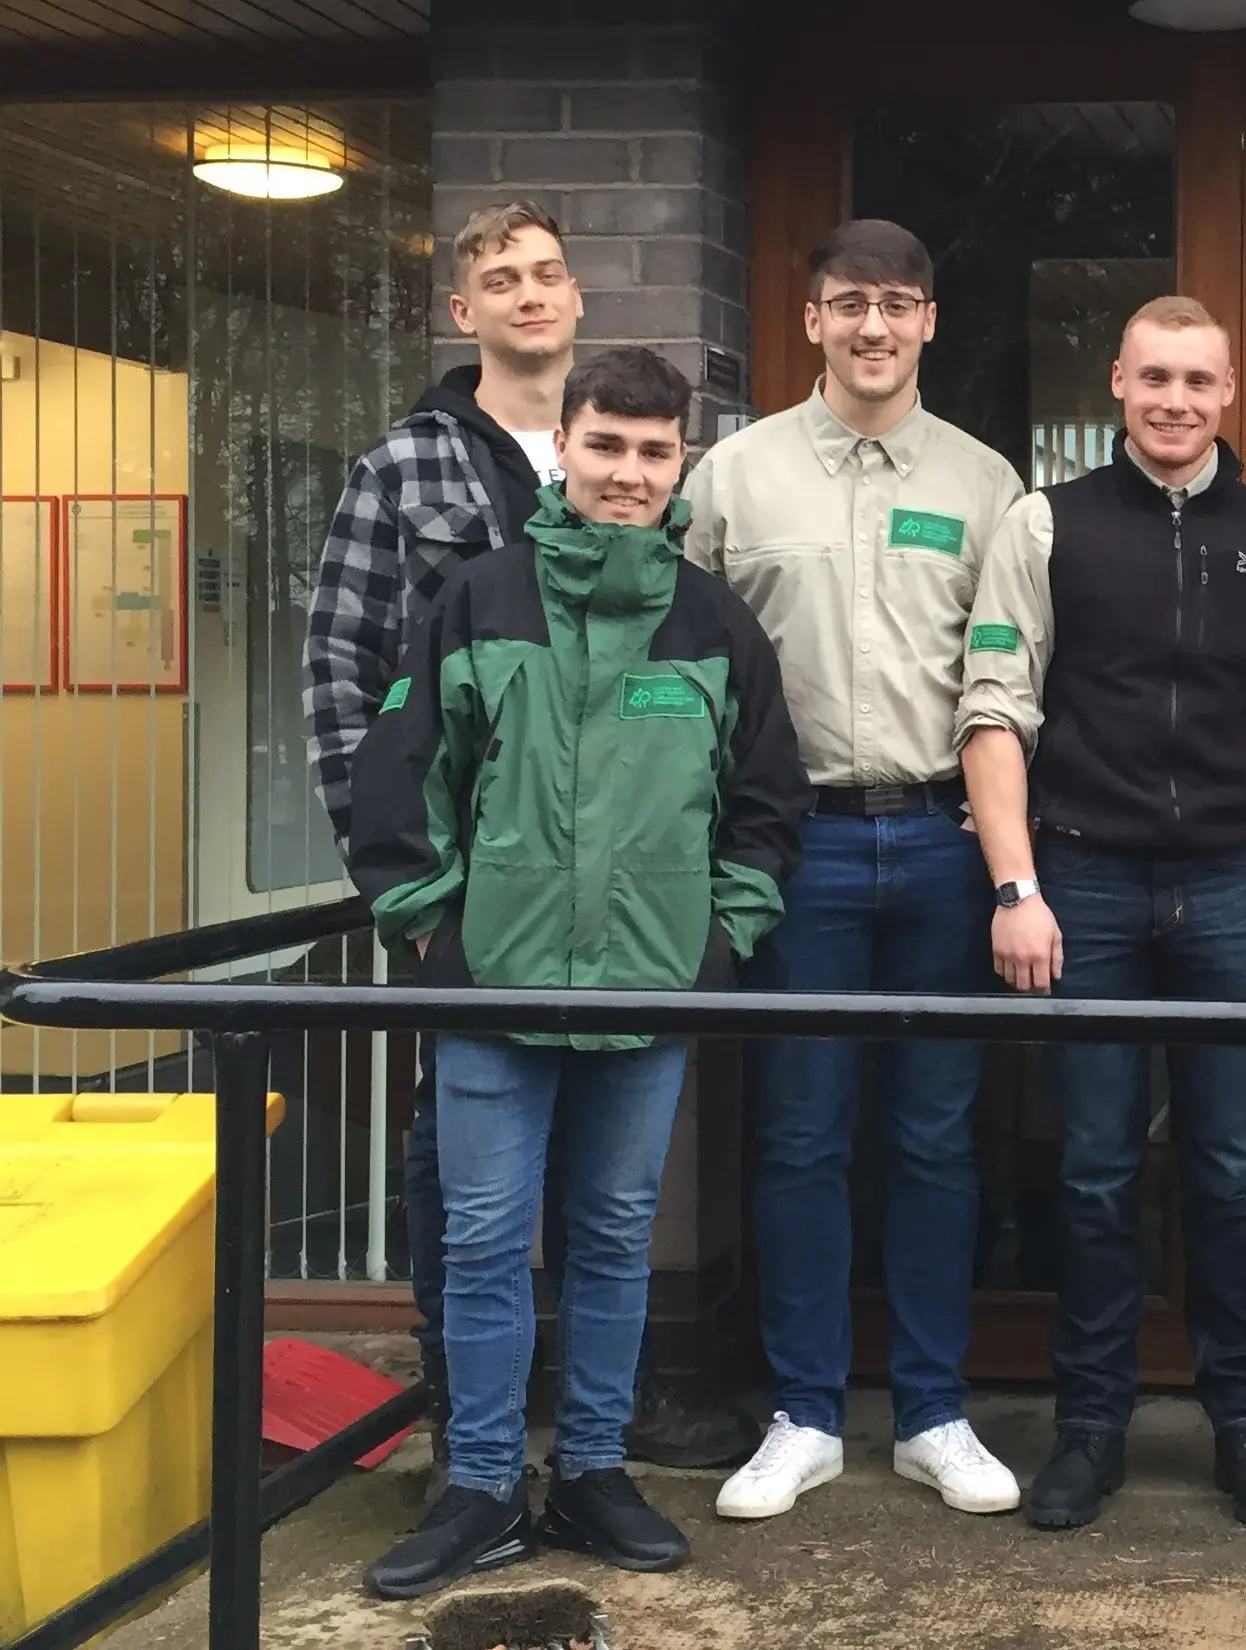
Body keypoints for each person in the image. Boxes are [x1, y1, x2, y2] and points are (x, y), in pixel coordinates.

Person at [347, 346, 809, 1598]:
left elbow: (765, 805)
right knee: (489, 1239)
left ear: (680, 466)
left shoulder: (716, 624)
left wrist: (722, 939)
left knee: (614, 1240)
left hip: (649, 991)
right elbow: (400, 784)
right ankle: (485, 1488)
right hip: (492, 990)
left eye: (655, 453)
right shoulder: (475, 601)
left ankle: (594, 1473)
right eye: (607, 446)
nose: (629, 472)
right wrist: (434, 932)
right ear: (567, 450)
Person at [957, 295, 1246, 1532]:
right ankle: (1091, 1430)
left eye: (1198, 379)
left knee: (1231, 1173)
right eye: (1153, 378)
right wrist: (1014, 888)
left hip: (1238, 885)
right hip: (1082, 883)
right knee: (1091, 1173)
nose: (1175, 400)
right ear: (1117, 385)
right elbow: (993, 709)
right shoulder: (1047, 526)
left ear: (1228, 390)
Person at [685, 220, 1028, 1522]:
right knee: (799, 1133)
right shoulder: (734, 475)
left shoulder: (989, 483)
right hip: (800, 846)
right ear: (812, 315)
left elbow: (1010, 677)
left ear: (930, 319)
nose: (873, 327)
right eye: (848, 305)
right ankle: (806, 1411)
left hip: (945, 842)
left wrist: (1010, 866)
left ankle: (935, 1408)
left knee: (938, 1136)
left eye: (896, 305)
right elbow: (686, 668)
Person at [305, 200, 584, 1500]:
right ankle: (459, 1429)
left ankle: (589, 1440)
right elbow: (338, 684)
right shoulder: (402, 470)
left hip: (605, 887)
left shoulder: (627, 455)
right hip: (465, 890)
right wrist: (400, 892)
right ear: (463, 312)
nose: (532, 294)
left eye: (548, 273)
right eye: (502, 280)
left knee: (600, 1164)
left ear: (576, 297)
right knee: (455, 1171)